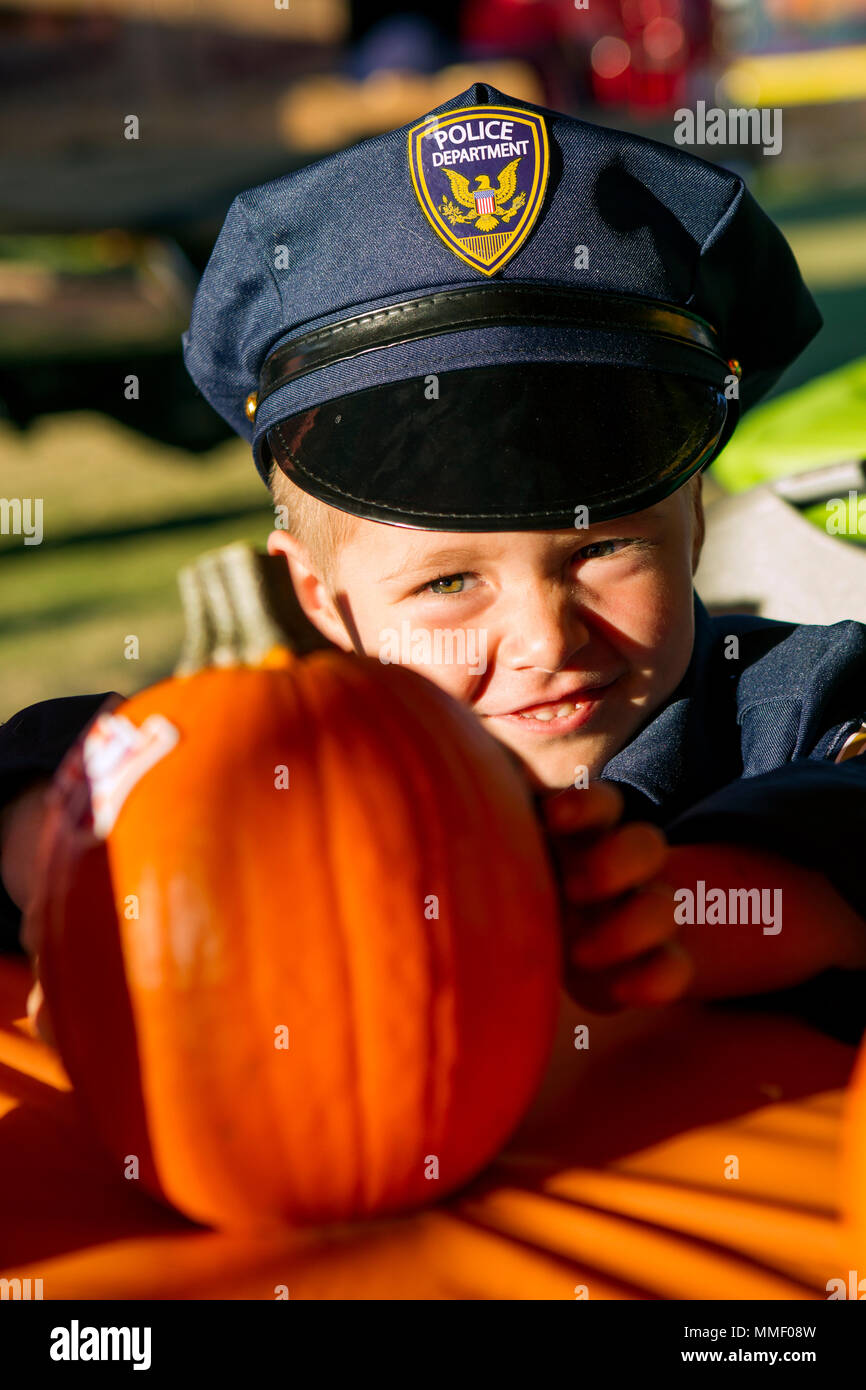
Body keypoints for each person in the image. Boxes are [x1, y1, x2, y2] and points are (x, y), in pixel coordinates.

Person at [3, 83, 866, 1042]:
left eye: (605, 548)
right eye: (451, 581)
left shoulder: (797, 703)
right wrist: (51, 824)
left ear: (694, 520)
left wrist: (746, 890)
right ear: (319, 600)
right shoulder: (292, 766)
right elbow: (106, 759)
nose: (546, 638)